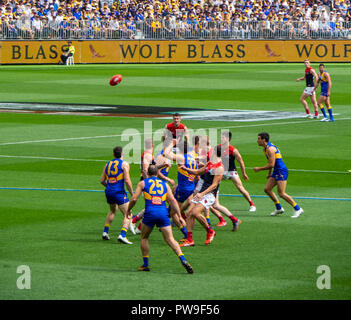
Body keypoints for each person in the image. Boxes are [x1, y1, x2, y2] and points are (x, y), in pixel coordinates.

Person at [127, 165, 193, 274]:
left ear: (147, 174)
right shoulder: (165, 185)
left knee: (144, 238)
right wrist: (180, 216)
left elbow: (134, 199)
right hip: (163, 213)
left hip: (150, 213)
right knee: (170, 239)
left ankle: (146, 264)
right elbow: (172, 201)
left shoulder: (143, 183)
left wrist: (128, 210)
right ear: (157, 173)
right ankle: (183, 259)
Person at [179, 145, 226, 247]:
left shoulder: (219, 167)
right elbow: (198, 172)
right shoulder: (210, 163)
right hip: (201, 193)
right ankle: (190, 240)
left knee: (195, 212)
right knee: (189, 214)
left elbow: (214, 185)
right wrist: (186, 169)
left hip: (209, 194)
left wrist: (201, 194)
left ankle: (210, 231)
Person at [253, 133, 304, 218]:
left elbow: (271, 164)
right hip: (276, 171)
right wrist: (269, 173)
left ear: (264, 140)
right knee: (267, 189)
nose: (257, 141)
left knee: (281, 193)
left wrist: (259, 168)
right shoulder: (265, 149)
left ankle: (298, 209)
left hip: (281, 171)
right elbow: (270, 162)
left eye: (258, 139)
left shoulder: (270, 149)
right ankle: (279, 208)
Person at [100, 146, 134, 243]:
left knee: (112, 211)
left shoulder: (107, 164)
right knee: (128, 214)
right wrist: (132, 193)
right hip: (118, 192)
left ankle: (105, 232)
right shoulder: (124, 164)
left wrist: (109, 186)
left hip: (109, 191)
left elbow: (102, 180)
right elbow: (127, 181)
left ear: (113, 154)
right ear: (122, 154)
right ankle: (122, 235)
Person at [219, 131, 256, 212]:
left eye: (223, 137)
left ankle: (252, 204)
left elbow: (241, 161)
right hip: (221, 172)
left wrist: (244, 173)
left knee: (240, 188)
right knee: (212, 186)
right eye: (221, 137)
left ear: (228, 138)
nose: (221, 139)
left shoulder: (233, 150)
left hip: (231, 171)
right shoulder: (218, 148)